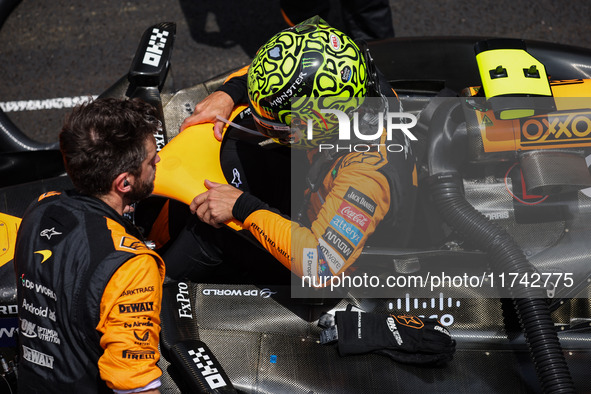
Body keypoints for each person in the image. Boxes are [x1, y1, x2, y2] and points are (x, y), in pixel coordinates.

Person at [179, 16, 417, 287]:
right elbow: (290, 72)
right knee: (236, 148)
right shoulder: (348, 68)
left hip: (339, 276)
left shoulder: (366, 179)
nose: (276, 132)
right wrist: (230, 92)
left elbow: (320, 266)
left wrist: (241, 207)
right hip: (317, 184)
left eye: (280, 129)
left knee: (212, 230)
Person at [14, 98, 165, 393]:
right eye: (150, 160)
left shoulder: (39, 209)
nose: (157, 161)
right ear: (124, 183)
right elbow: (135, 385)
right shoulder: (130, 264)